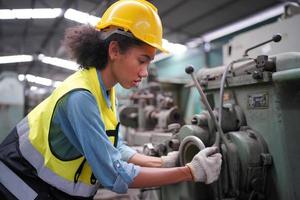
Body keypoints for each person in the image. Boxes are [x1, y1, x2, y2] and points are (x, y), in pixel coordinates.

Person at [0, 0, 222, 199]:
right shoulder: (80, 97)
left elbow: (113, 147)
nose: (145, 72)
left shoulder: (106, 90)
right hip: (20, 185)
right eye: (142, 60)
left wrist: (163, 162)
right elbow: (114, 174)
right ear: (114, 50)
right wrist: (190, 172)